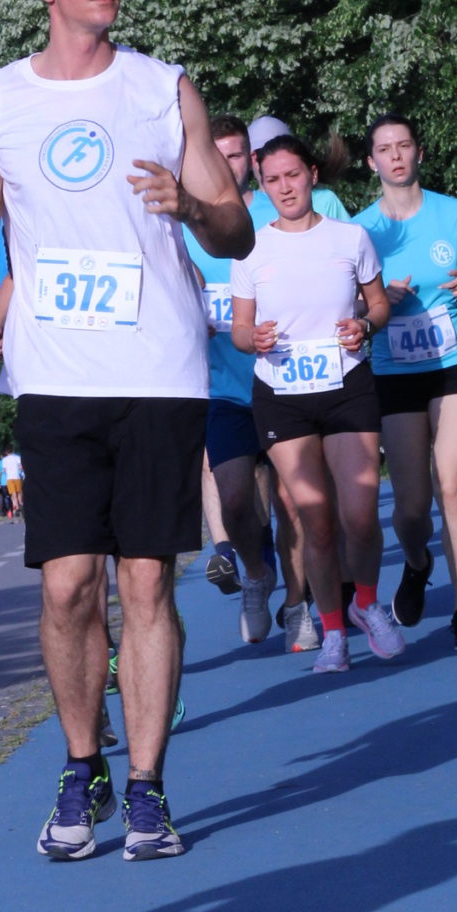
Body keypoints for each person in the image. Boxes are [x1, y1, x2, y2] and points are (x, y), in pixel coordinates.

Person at [0, 0, 253, 862]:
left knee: (147, 581)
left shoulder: (163, 89)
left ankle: (148, 788)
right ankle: (82, 766)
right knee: (68, 586)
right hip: (54, 372)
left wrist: (191, 205)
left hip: (158, 368)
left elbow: (235, 231)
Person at [230, 136, 403, 674]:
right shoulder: (251, 249)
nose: (285, 188)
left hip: (347, 384)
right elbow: (239, 329)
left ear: (311, 175)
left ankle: (365, 603)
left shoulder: (350, 238)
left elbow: (379, 305)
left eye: (293, 175)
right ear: (263, 186)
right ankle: (332, 634)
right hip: (283, 396)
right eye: (273, 180)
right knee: (317, 521)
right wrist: (253, 339)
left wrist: (365, 325)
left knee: (360, 513)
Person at [355, 115, 457, 651]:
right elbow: (347, 309)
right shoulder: (360, 231)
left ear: (419, 152)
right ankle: (417, 562)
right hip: (395, 370)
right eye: (384, 149)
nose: (396, 156)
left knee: (452, 482)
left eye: (404, 145)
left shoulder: (455, 214)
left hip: (454, 360)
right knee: (412, 507)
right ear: (371, 161)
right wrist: (376, 304)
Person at [182, 113, 280, 649]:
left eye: (237, 154)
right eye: (216, 155)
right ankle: (253, 572)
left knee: (295, 506)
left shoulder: (276, 210)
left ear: (252, 159)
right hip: (220, 387)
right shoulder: (183, 224)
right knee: (238, 498)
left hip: (286, 381)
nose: (227, 164)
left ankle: (303, 604)